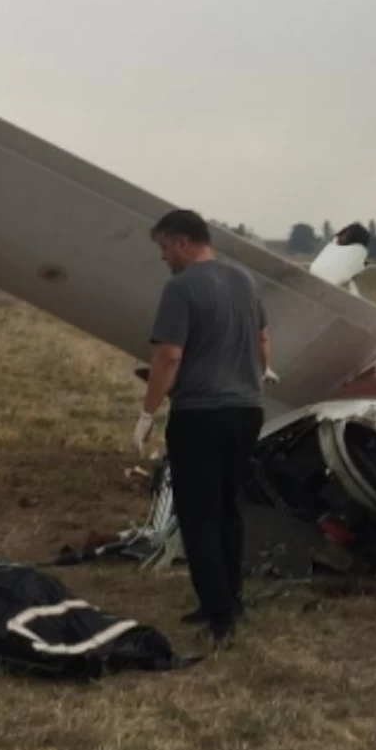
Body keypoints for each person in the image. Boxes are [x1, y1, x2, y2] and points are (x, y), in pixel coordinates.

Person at [135, 209, 271, 646]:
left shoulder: (181, 287)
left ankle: (219, 617)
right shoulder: (244, 280)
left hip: (200, 415)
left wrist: (147, 412)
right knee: (230, 509)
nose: (163, 259)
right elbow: (263, 342)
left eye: (163, 248)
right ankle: (230, 599)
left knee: (198, 515)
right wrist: (252, 377)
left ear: (180, 242)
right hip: (247, 411)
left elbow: (168, 356)